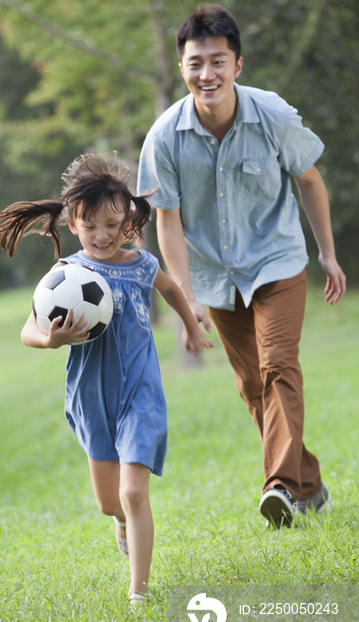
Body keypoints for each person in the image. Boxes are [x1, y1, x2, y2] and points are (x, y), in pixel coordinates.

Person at [137, 4, 346, 528]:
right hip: (214, 276)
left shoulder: (272, 114)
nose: (206, 74)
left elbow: (311, 181)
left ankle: (278, 487)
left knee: (279, 365)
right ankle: (309, 483)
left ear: (238, 65)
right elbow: (167, 221)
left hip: (277, 261)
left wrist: (327, 252)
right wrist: (184, 296)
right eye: (195, 63)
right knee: (252, 385)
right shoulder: (164, 137)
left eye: (217, 61)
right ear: (182, 67)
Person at [0, 153, 211, 603]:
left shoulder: (142, 264)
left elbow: (169, 289)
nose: (103, 235)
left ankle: (139, 592)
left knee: (133, 492)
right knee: (109, 503)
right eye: (91, 227)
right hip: (92, 398)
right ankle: (120, 521)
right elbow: (27, 329)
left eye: (112, 224)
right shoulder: (66, 276)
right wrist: (50, 341)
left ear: (127, 218)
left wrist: (190, 327)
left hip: (140, 394)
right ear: (73, 224)